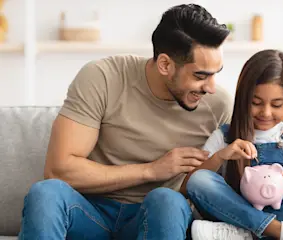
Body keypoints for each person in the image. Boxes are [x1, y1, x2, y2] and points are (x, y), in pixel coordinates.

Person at [18, 4, 232, 240]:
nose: (211, 87)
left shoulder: (219, 105)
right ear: (165, 65)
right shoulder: (103, 78)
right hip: (90, 213)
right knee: (46, 193)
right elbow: (59, 170)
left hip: (155, 216)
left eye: (216, 73)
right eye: (200, 76)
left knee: (167, 199)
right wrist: (151, 170)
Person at [180, 49, 283, 240]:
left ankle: (244, 235)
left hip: (273, 212)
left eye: (276, 105)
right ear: (243, 100)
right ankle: (279, 232)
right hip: (235, 213)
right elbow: (189, 186)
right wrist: (221, 156)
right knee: (200, 179)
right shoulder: (225, 137)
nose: (266, 113)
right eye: (256, 102)